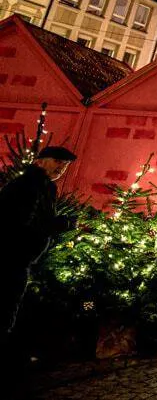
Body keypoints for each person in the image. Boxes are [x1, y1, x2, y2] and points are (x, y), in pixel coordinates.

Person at [0, 145, 77, 346]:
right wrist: (64, 224)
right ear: (39, 162)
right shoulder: (30, 185)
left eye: (65, 165)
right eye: (57, 161)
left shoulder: (41, 185)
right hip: (11, 258)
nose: (62, 168)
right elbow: (25, 222)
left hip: (17, 258)